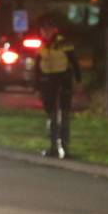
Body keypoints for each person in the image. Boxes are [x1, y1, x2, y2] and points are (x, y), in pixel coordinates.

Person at [33, 15, 81, 159]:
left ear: (54, 30)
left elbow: (74, 62)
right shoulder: (41, 45)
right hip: (48, 83)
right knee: (51, 116)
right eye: (43, 30)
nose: (45, 32)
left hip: (63, 81)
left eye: (48, 30)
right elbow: (37, 67)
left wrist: (78, 81)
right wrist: (36, 87)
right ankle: (53, 147)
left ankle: (66, 148)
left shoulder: (64, 43)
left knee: (64, 115)